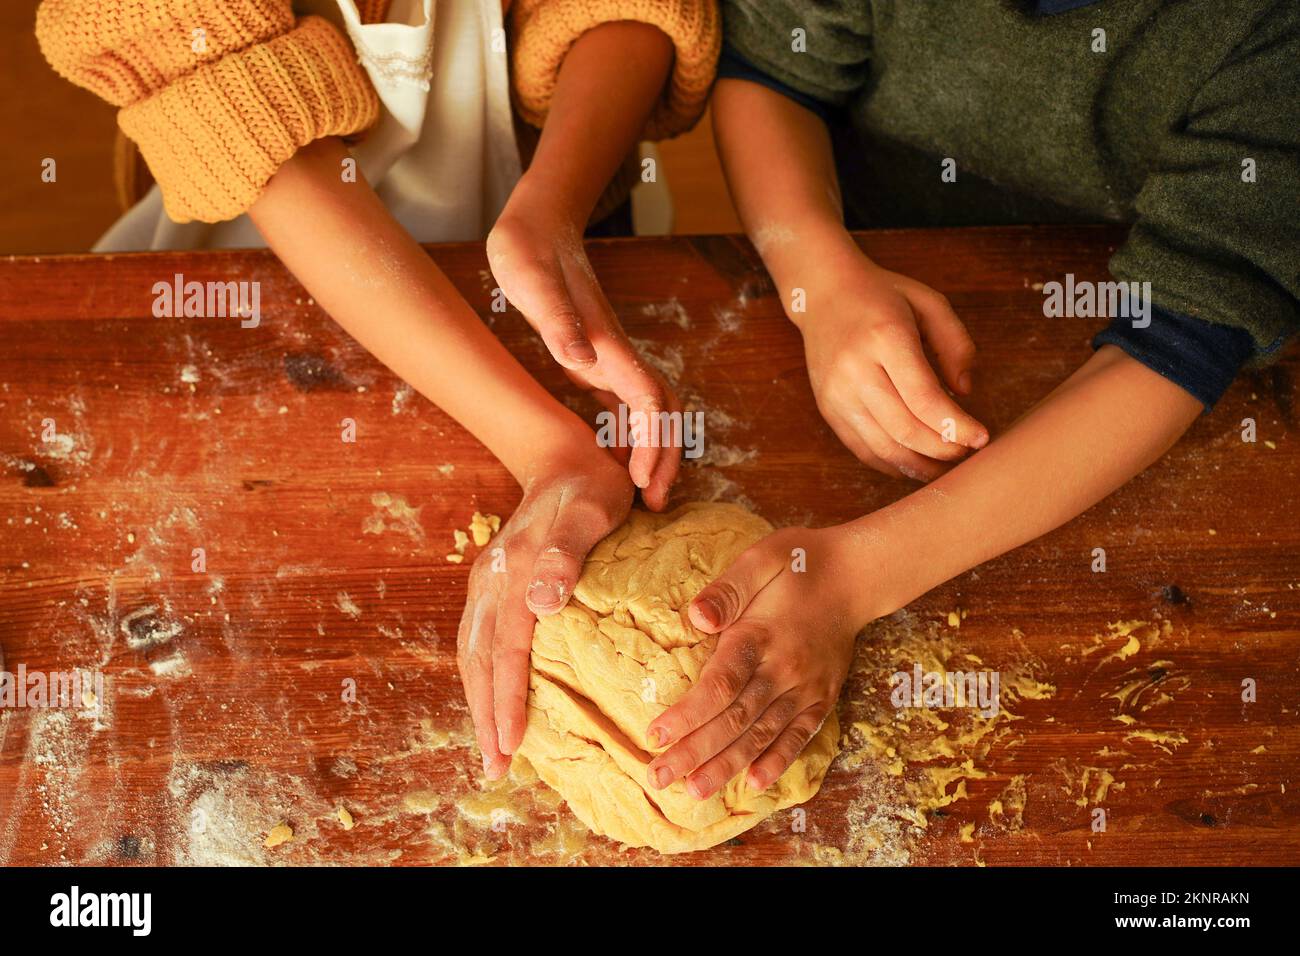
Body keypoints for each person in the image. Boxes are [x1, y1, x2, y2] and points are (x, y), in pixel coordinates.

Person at [36, 0, 720, 778]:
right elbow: (257, 130)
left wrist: (552, 210)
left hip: (544, 212)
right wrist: (548, 445)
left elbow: (620, 13)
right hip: (276, 272)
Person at [638, 0, 1299, 802]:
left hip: (1120, 316)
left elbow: (1183, 338)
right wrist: (816, 276)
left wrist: (856, 575)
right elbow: (776, 74)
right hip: (863, 235)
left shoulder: (1268, 36)